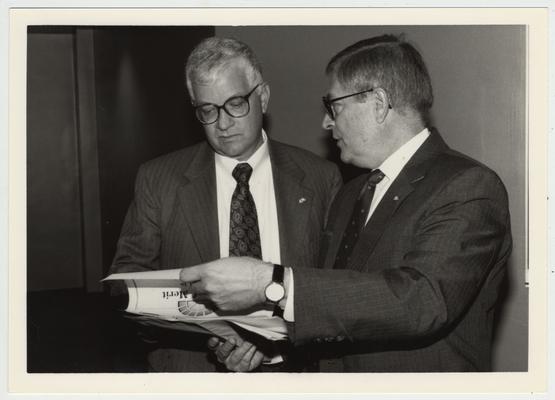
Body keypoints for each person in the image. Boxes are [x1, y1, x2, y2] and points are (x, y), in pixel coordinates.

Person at [180, 34, 513, 372]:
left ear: (379, 104)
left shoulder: (467, 187)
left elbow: (421, 302)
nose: (327, 122)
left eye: (334, 106)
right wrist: (266, 343)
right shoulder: (349, 194)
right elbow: (339, 306)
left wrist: (272, 283)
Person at [109, 36, 342, 372]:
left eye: (235, 103)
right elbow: (126, 282)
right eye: (207, 110)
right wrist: (207, 330)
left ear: (263, 96)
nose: (222, 123)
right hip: (194, 370)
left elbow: (334, 287)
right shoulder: (158, 179)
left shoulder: (320, 177)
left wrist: (280, 335)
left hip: (295, 370)